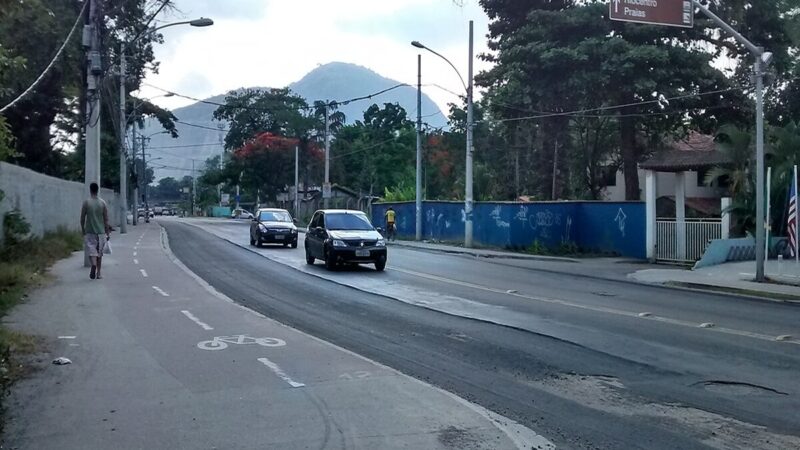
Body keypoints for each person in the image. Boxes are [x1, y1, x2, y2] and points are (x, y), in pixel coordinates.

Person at [81, 182, 110, 280]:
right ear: (97, 190)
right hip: (101, 232)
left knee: (91, 251)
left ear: (90, 190)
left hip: (90, 231)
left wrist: (82, 229)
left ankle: (93, 264)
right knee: (99, 253)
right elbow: (106, 219)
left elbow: (82, 218)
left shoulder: (86, 202)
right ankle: (99, 273)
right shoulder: (102, 203)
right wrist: (107, 232)